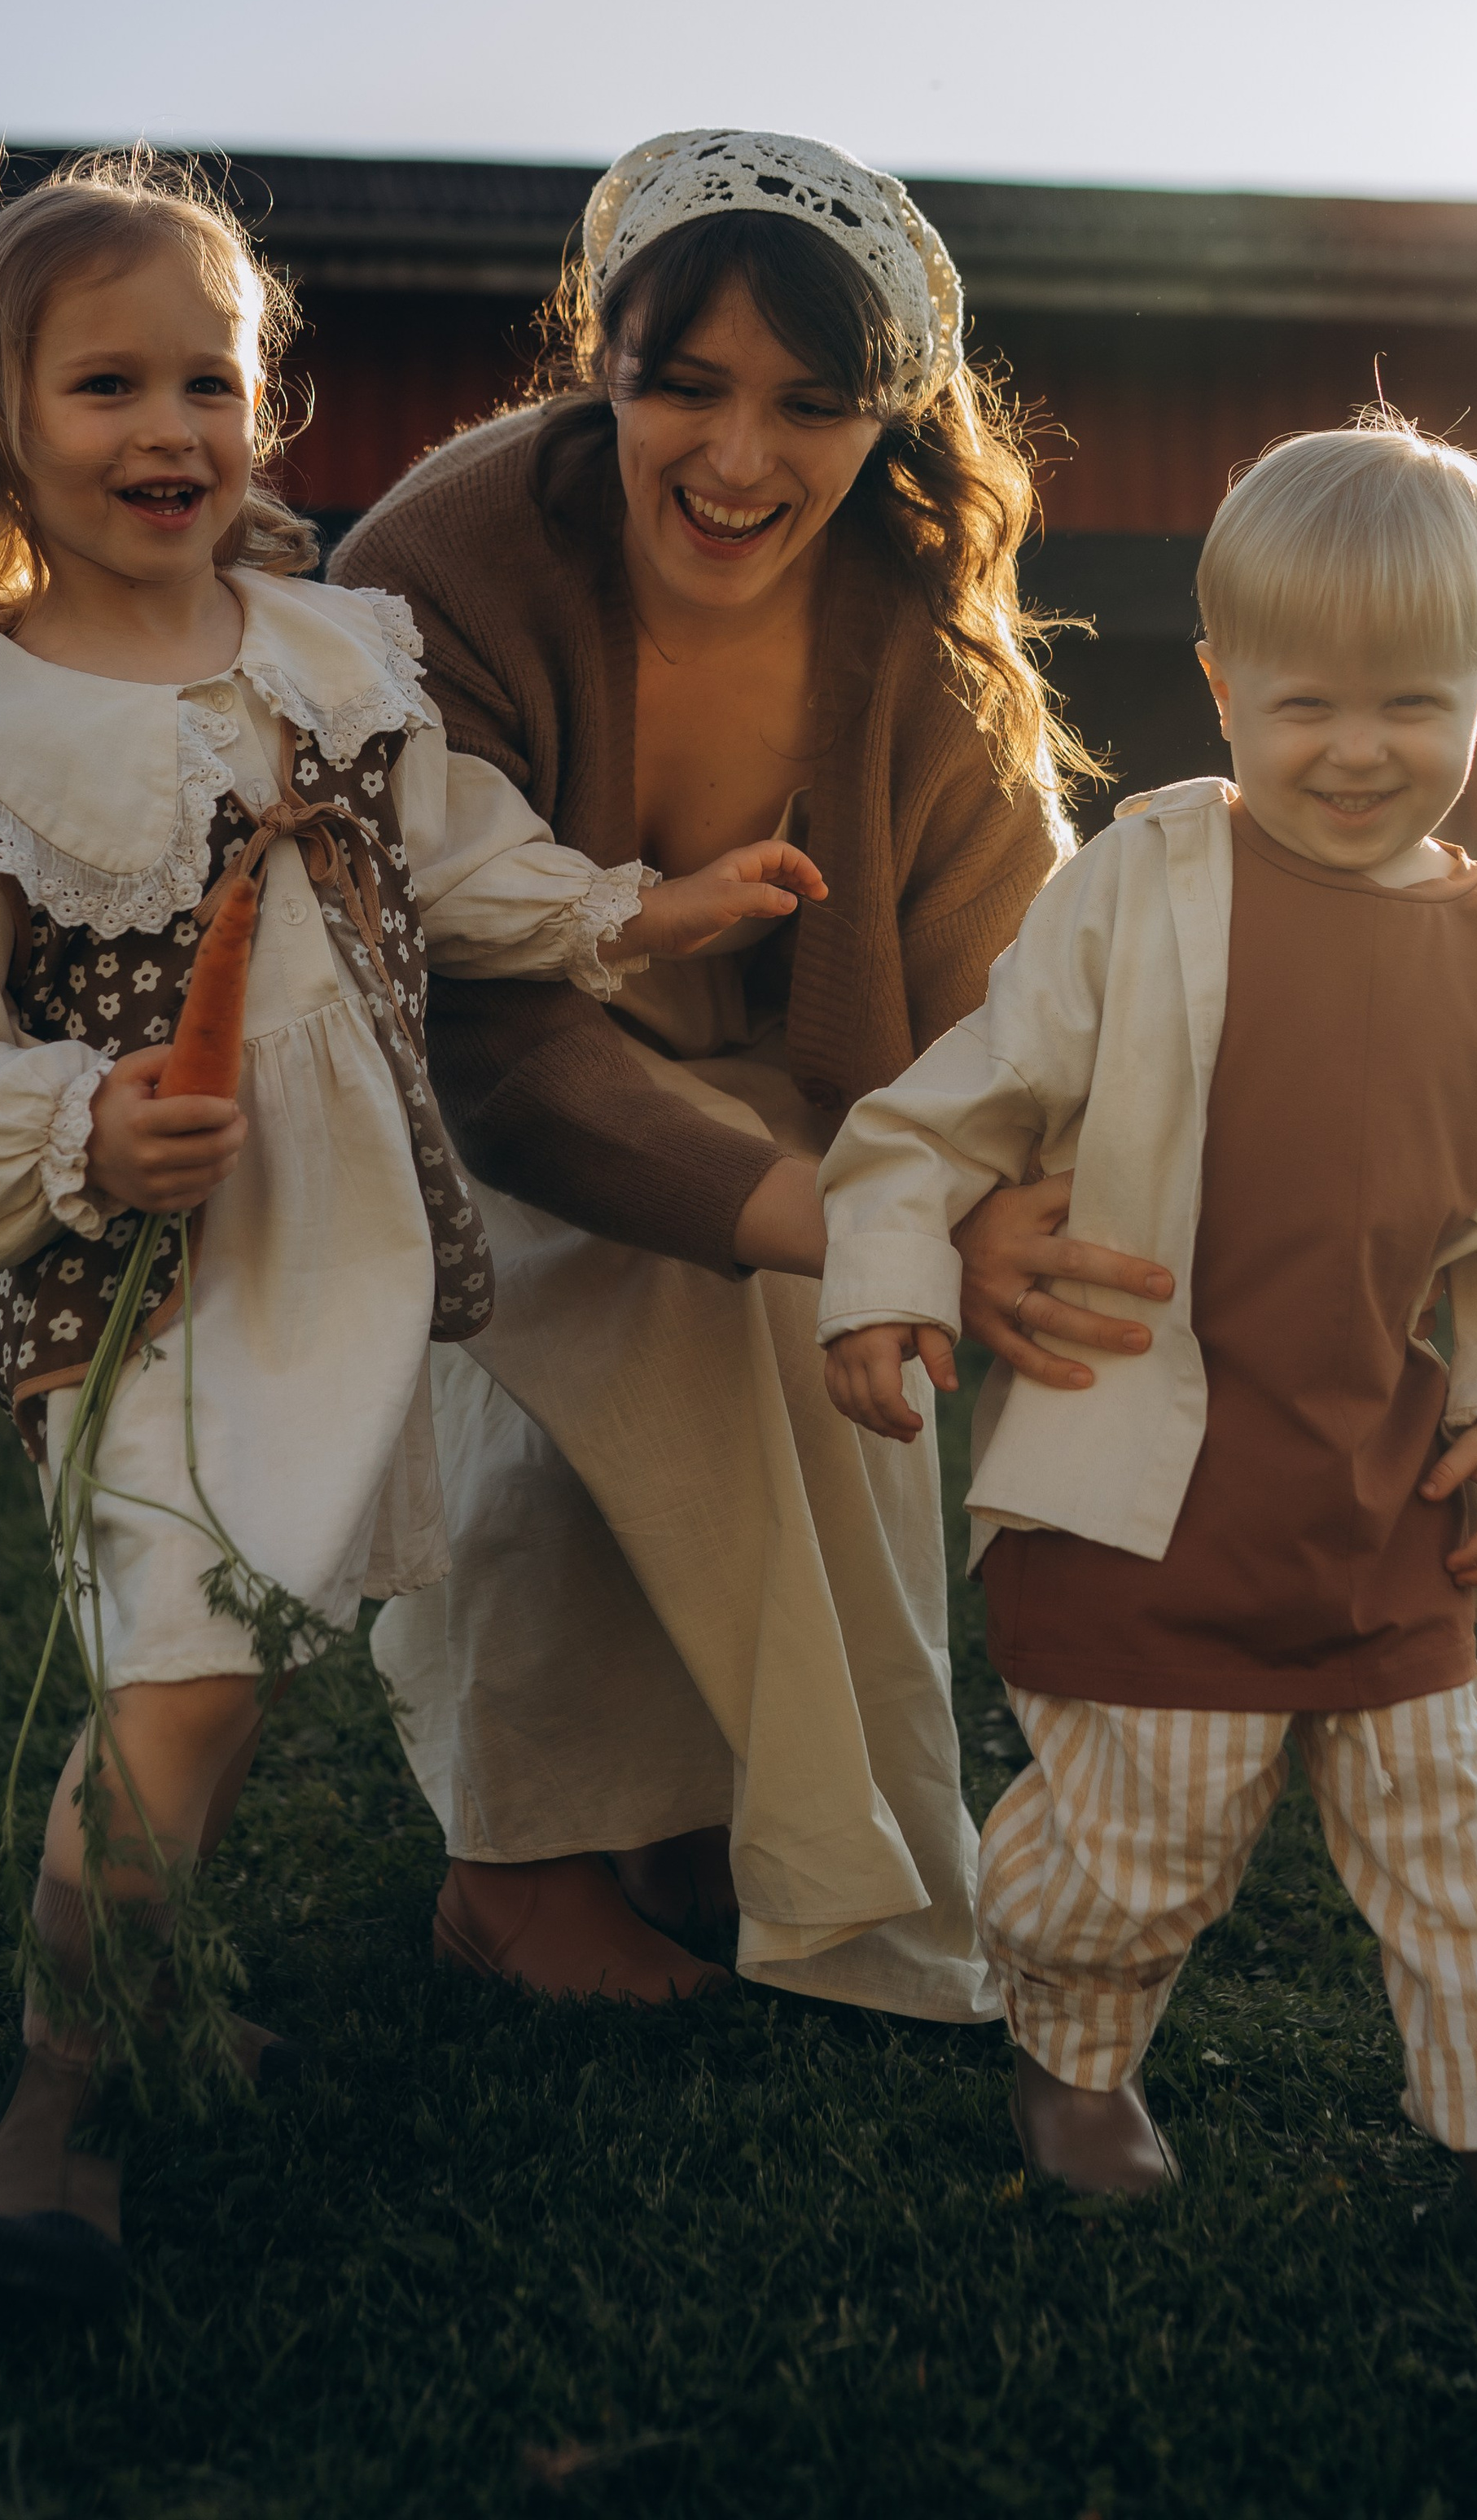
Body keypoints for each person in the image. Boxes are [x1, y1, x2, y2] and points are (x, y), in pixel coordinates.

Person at [0, 151, 828, 2304]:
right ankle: (52, 2107)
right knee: (178, 1689)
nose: (169, 428)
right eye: (106, 384)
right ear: (1, 424)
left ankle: (166, 2003)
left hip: (338, 1259)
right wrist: (83, 1123)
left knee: (241, 1678)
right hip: (137, 1289)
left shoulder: (326, 659)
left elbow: (461, 857)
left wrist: (628, 910)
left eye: (212, 376)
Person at [817, 413, 1477, 2287]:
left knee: (1473, 1839)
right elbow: (961, 1102)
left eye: (1407, 702)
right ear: (1216, 683)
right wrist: (892, 1266)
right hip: (1143, 1490)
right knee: (1141, 1837)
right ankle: (1070, 2061)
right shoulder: (1138, 886)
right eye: (1299, 705)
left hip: (1377, 1497)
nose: (1351, 750)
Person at [332, 129, 1174, 2014]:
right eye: (683, 387)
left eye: (808, 405)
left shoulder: (917, 641)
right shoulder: (439, 568)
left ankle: (728, 1811)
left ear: (884, 416)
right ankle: (516, 1861)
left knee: (826, 1363)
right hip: (485, 1098)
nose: (736, 460)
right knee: (617, 1313)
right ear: (597, 364)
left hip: (810, 1106)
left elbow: (997, 995)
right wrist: (836, 1224)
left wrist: (968, 1200)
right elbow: (473, 1016)